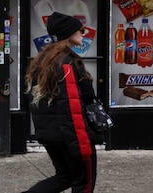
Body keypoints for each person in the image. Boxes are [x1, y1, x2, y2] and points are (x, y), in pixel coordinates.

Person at [23, 12, 103, 193]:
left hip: (52, 135)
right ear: (68, 33)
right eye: (80, 30)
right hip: (71, 137)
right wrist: (82, 145)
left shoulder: (42, 61)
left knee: (65, 177)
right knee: (84, 184)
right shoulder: (66, 64)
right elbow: (72, 108)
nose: (83, 34)